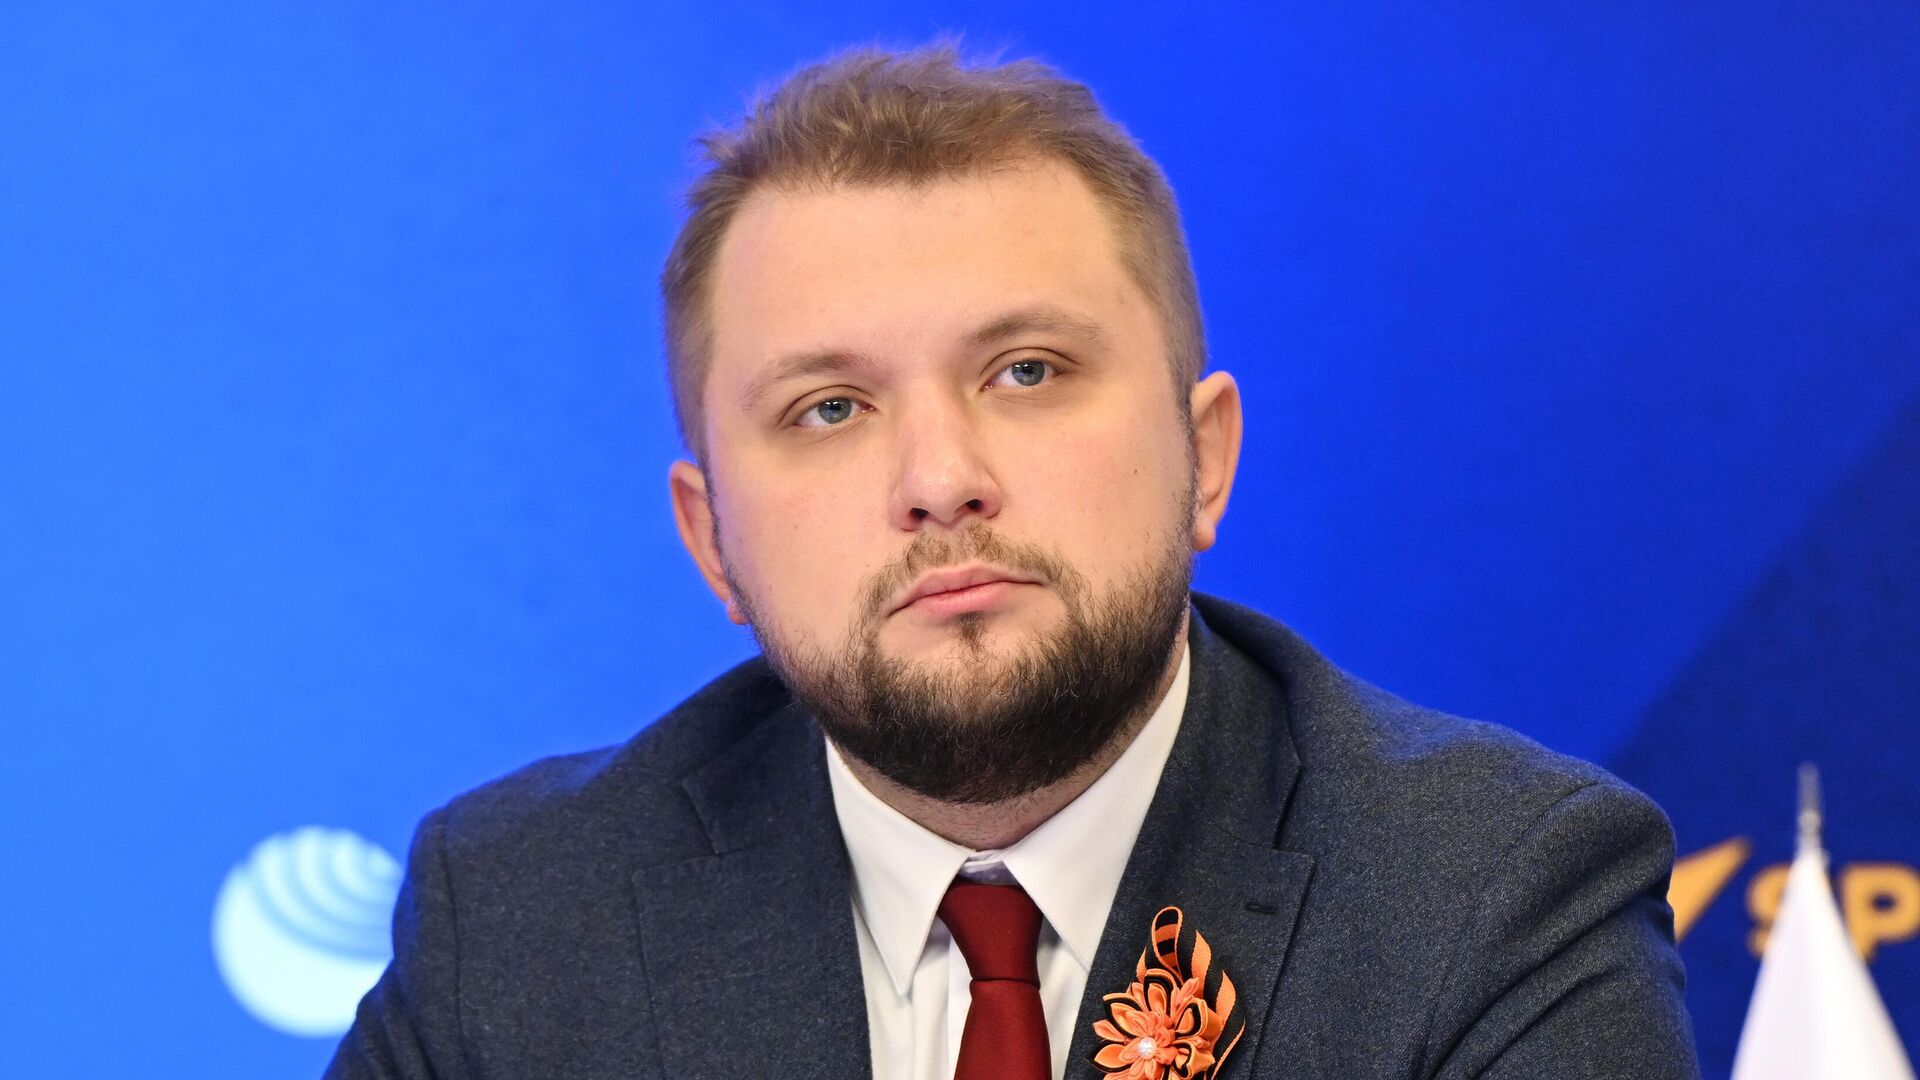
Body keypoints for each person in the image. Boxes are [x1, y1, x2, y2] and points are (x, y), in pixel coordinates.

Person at [326, 43, 1700, 1080]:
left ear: (1204, 455)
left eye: (1027, 371)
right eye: (830, 409)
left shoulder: (1494, 901)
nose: (940, 480)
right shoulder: (518, 921)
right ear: (712, 541)